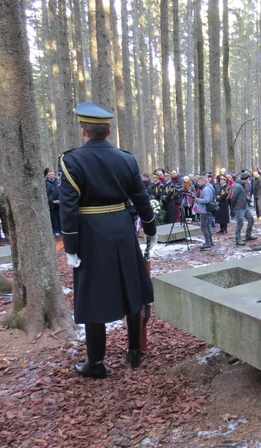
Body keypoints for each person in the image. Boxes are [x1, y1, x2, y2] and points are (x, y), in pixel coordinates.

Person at [58, 102, 157, 378]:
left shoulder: (71, 161)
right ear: (109, 131)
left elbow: (68, 208)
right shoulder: (126, 159)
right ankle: (134, 351)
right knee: (131, 289)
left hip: (91, 234)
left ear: (83, 131)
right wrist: (150, 228)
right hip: (123, 231)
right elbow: (141, 198)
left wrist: (71, 248)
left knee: (92, 296)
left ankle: (96, 363)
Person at [231, 172, 257, 246]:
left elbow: (244, 194)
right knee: (240, 223)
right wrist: (232, 208)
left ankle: (248, 234)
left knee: (251, 219)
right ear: (245, 179)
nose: (249, 179)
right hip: (239, 208)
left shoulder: (244, 185)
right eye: (248, 178)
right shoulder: (238, 186)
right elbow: (233, 198)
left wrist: (247, 199)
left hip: (245, 206)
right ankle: (238, 239)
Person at [195, 175, 215, 249]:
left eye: (199, 181)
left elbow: (207, 200)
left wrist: (198, 200)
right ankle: (210, 241)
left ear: (203, 181)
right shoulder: (205, 188)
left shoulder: (206, 189)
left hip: (205, 210)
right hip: (205, 210)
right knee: (207, 226)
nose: (198, 183)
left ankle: (207, 242)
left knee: (204, 226)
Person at [45, 169, 61, 235]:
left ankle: (60, 230)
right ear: (47, 175)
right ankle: (55, 231)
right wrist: (51, 201)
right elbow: (46, 194)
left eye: (52, 174)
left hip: (59, 203)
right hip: (51, 204)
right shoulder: (46, 183)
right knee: (53, 218)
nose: (51, 175)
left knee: (59, 217)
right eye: (50, 174)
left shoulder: (58, 182)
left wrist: (60, 200)